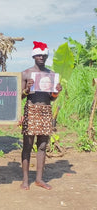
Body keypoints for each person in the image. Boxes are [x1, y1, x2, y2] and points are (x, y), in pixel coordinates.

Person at [20, 41, 62, 190]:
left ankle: (39, 179)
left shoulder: (51, 75)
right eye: (38, 54)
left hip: (46, 110)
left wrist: (56, 91)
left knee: (43, 146)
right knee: (27, 146)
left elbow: (51, 98)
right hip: (31, 110)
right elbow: (18, 96)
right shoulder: (26, 73)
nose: (41, 57)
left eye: (44, 55)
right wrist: (27, 89)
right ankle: (25, 180)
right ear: (33, 56)